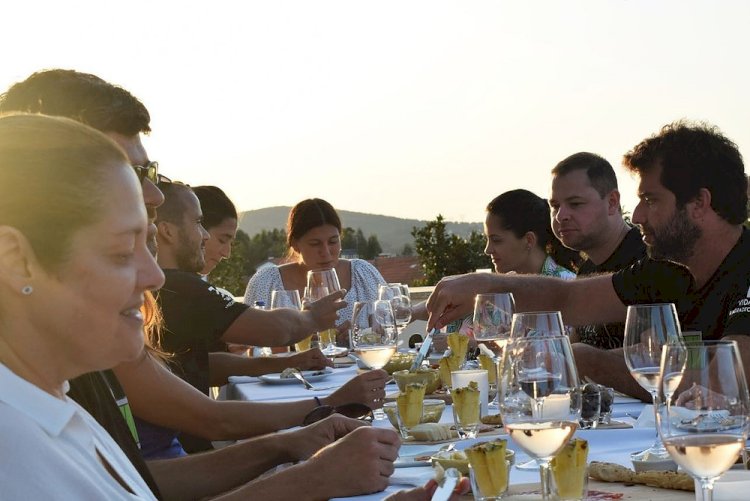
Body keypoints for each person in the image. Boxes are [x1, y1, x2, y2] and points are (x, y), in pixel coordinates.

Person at [0, 69, 399, 499]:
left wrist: (289, 443)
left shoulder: (57, 400)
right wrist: (307, 476)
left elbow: (141, 486)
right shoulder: (20, 437)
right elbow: (215, 415)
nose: (154, 193)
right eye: (120, 251)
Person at [426, 120, 750, 399]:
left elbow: (721, 383)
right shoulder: (664, 267)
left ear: (699, 203)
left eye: (651, 200)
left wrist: (587, 361)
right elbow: (568, 297)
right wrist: (485, 284)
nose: (637, 216)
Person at [0, 113, 166, 498]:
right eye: (123, 251)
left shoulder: (54, 407)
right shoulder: (15, 458)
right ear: (16, 260)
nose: (155, 276)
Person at [244, 198, 388, 344]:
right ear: (295, 244)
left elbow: (390, 320)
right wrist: (308, 337)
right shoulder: (267, 282)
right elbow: (246, 341)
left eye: (333, 241)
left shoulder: (362, 273)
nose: (326, 252)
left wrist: (358, 335)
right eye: (315, 244)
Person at [549, 152, 646, 348]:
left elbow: (659, 358)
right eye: (555, 206)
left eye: (575, 204)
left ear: (612, 202)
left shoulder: (646, 260)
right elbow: (572, 347)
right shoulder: (587, 270)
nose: (560, 216)